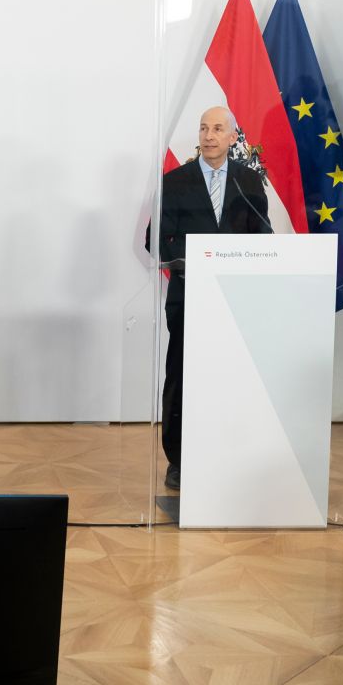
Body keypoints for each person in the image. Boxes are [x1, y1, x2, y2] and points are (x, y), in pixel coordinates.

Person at [152, 105, 271, 491]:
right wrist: (196, 260)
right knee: (182, 377)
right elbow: (156, 239)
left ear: (233, 137)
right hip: (189, 297)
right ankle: (178, 460)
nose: (209, 135)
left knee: (232, 378)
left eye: (218, 129)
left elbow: (263, 236)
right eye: (204, 128)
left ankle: (230, 453)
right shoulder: (176, 181)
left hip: (236, 300)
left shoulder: (249, 181)